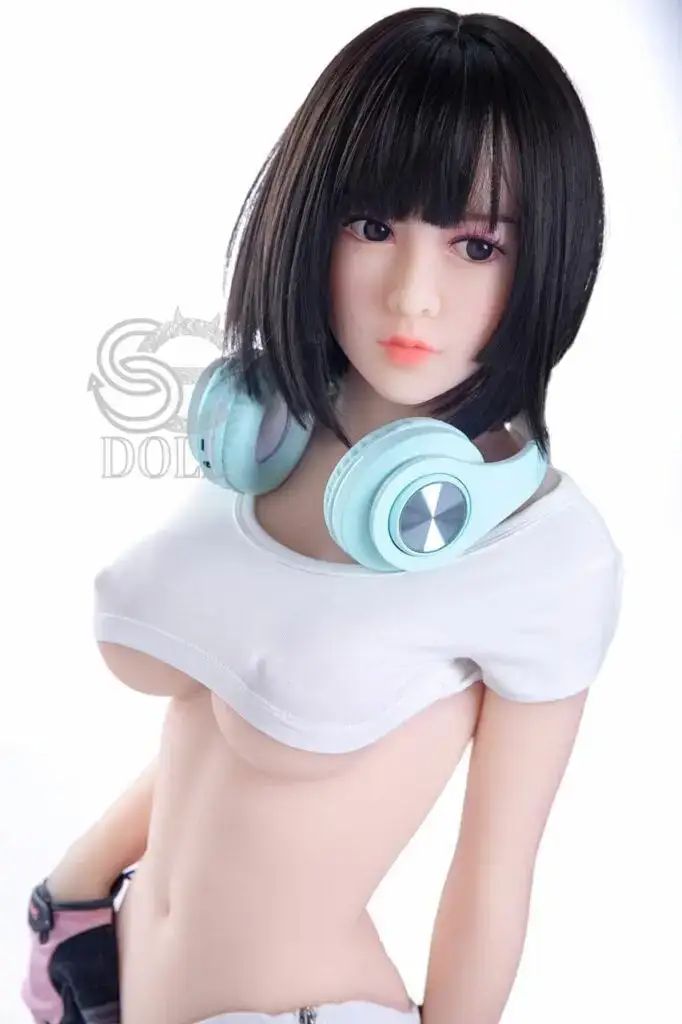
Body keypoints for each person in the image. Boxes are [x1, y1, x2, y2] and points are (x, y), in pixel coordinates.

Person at [21, 8, 624, 1024]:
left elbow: (493, 875)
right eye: (374, 227)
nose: (411, 297)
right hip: (113, 973)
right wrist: (74, 890)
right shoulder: (270, 428)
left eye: (476, 244)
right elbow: (214, 726)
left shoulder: (544, 553)